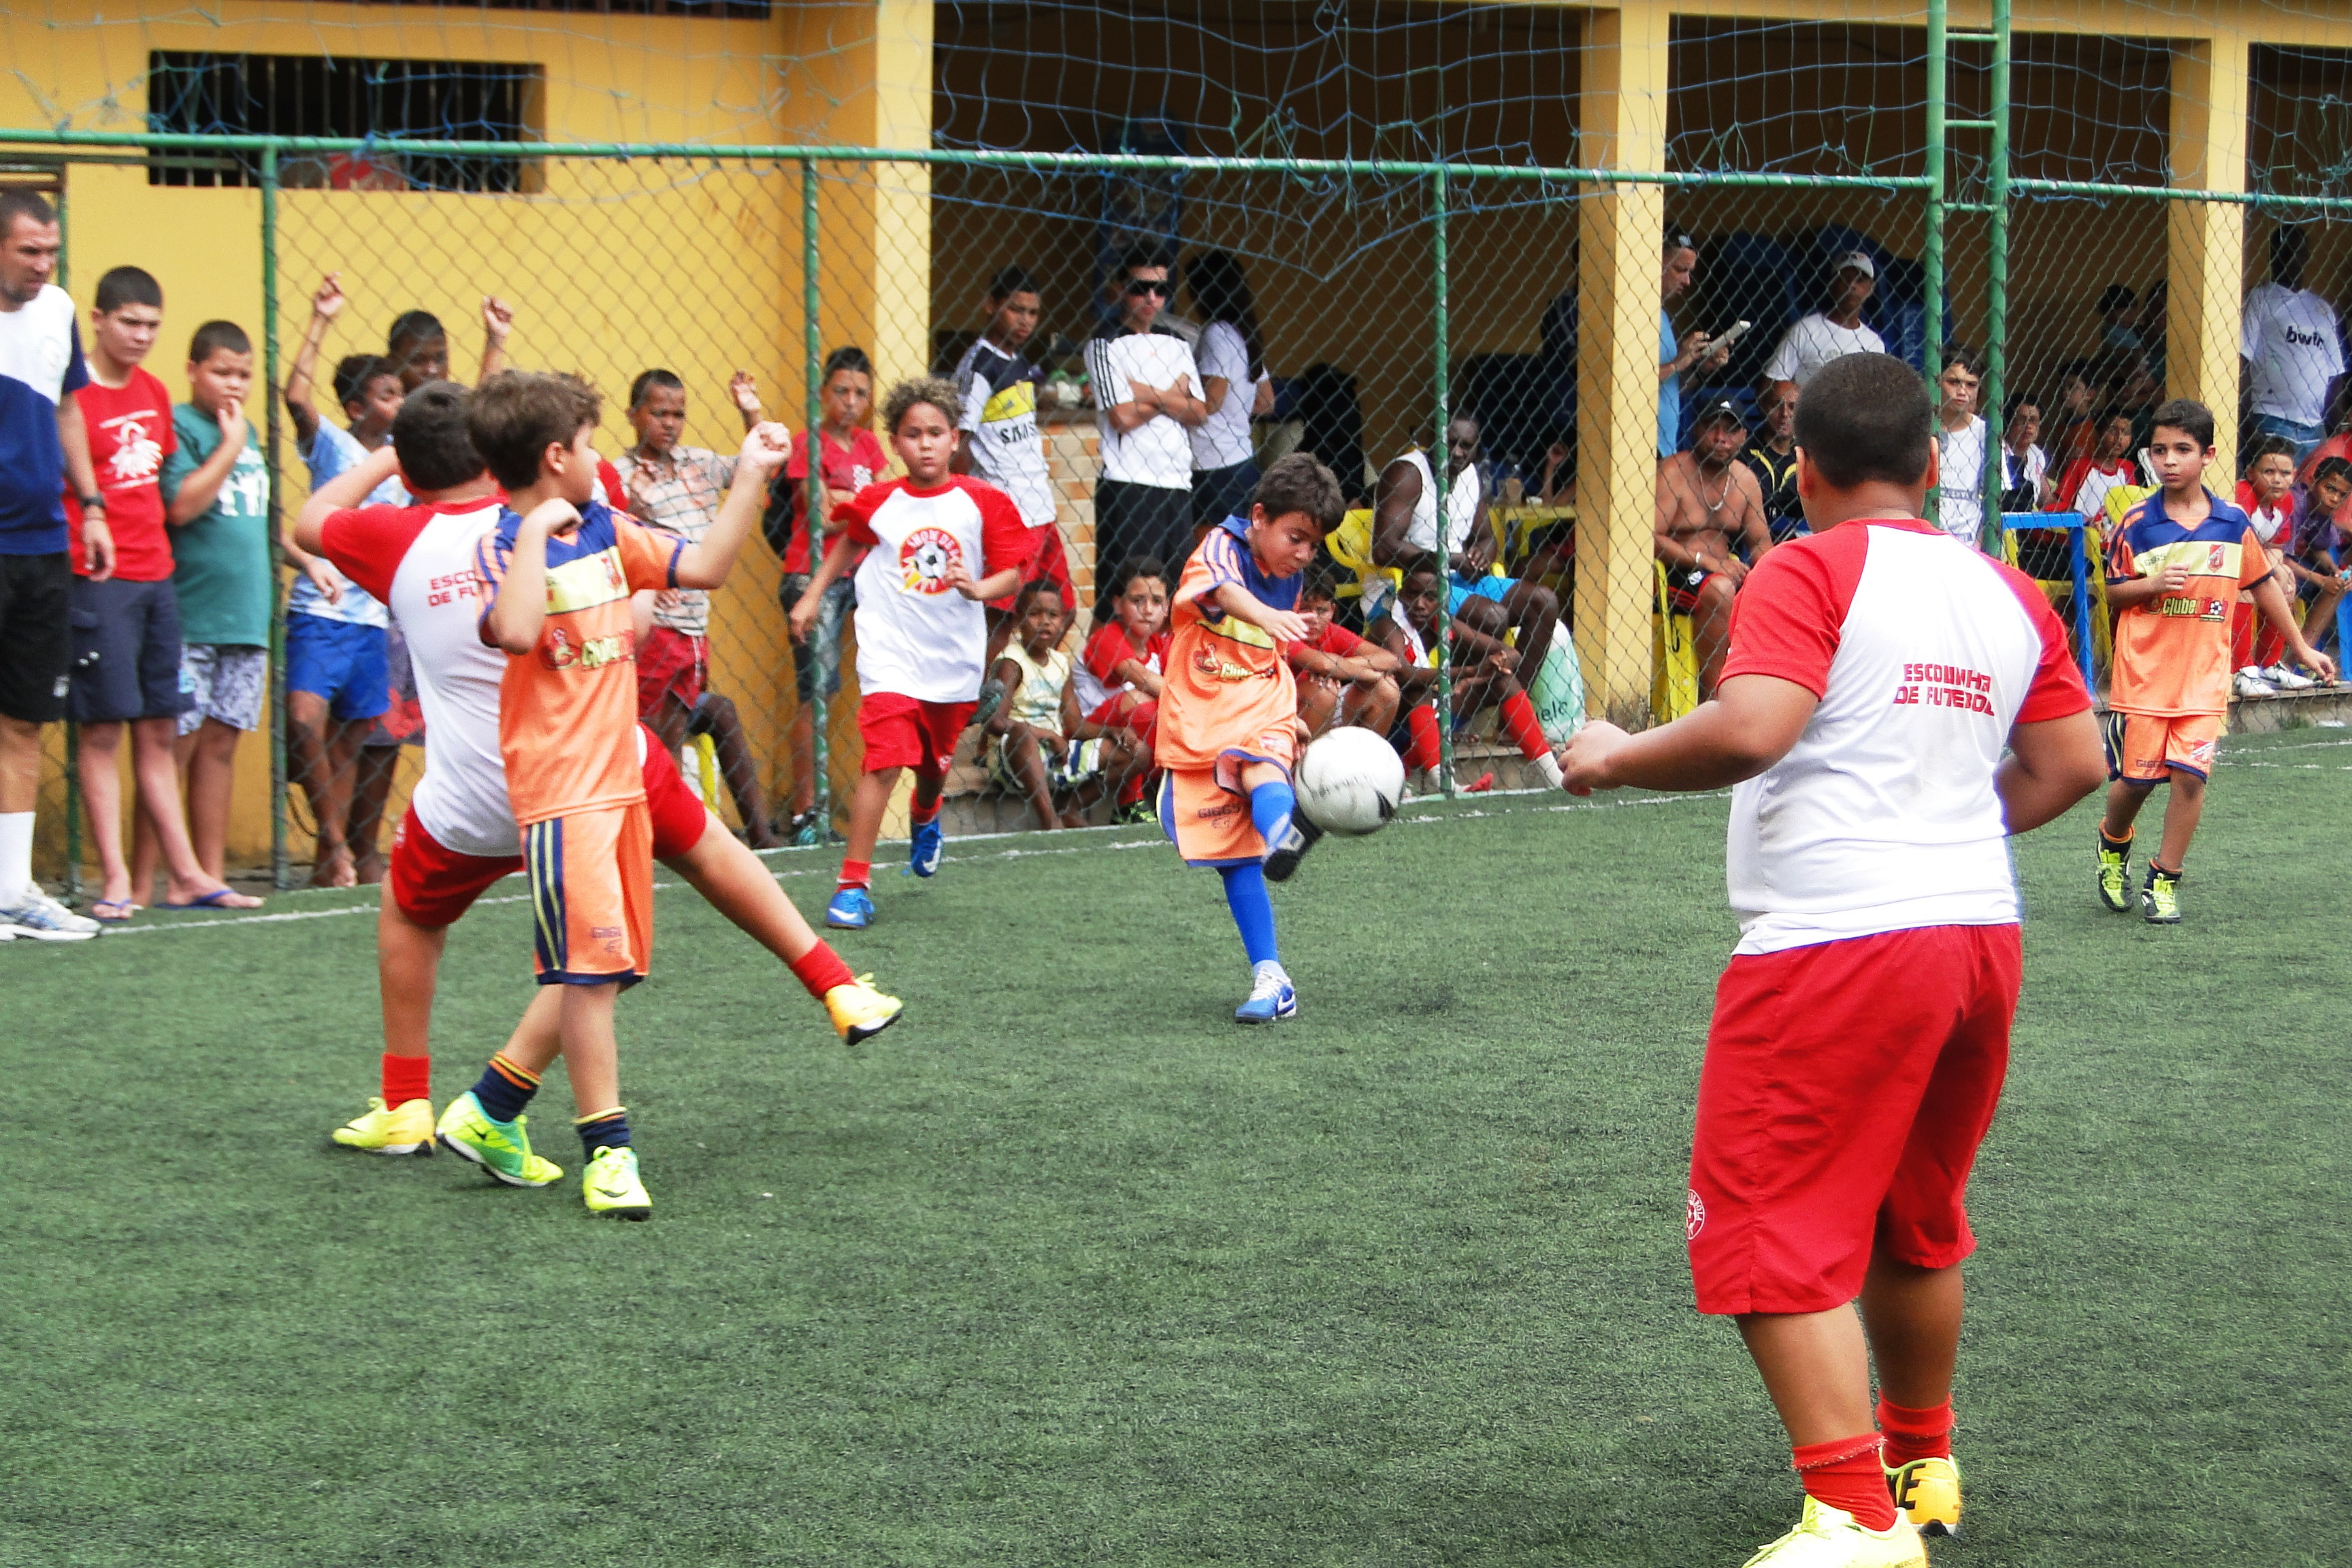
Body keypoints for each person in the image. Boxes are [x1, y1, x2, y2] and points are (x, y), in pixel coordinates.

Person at [1559, 350, 2108, 1568]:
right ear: (1927, 467)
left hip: (1838, 942)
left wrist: (1610, 751)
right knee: (1913, 1215)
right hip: (1975, 935)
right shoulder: (2006, 588)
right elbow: (2074, 764)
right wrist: (1941, 825)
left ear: (1796, 473)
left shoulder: (1807, 564)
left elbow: (1754, 727)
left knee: (1762, 1220)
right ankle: (1921, 1461)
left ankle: (1853, 1512)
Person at [296, 385, 899, 1171]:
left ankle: (409, 1101)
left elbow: (311, 521)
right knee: (690, 867)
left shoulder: (392, 536)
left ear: (412, 474)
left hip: (474, 797)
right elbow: (641, 619)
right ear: (533, 455)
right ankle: (830, 981)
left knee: (412, 915)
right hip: (600, 768)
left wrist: (391, 452)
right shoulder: (576, 512)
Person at [465, 370, 781, 1218]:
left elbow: (707, 565)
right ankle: (609, 1156)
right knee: (593, 974)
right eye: (591, 442)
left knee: (609, 970)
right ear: (556, 457)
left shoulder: (609, 529)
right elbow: (519, 630)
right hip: (562, 793)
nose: (603, 457)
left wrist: (750, 472)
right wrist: (535, 530)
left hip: (621, 783)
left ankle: (490, 1109)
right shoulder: (501, 543)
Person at [791, 376, 1029, 930]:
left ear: (955, 439)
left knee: (931, 767)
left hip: (951, 662)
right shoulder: (880, 501)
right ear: (895, 443)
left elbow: (1013, 570)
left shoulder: (982, 502)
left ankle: (927, 816)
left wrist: (977, 589)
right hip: (890, 656)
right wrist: (810, 595)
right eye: (912, 434)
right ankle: (852, 886)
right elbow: (852, 537)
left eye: (936, 433)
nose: (925, 444)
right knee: (883, 761)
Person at [2095, 399, 2336, 925]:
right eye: (2160, 450)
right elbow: (2113, 594)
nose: (2169, 460)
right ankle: (2114, 842)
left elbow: (2262, 584)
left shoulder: (2232, 523)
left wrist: (2300, 646)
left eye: (2182, 450)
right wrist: (2151, 585)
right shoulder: (2135, 524)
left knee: (2190, 779)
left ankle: (2165, 878)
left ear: (2207, 455)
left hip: (2204, 681)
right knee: (2134, 782)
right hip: (2145, 680)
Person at [65, 266, 257, 920]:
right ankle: (116, 878)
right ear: (98, 320)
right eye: (129, 322)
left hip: (158, 580)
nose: (141, 336)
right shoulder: (75, 394)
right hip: (99, 578)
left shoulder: (151, 393)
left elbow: (156, 494)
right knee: (101, 732)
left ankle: (188, 874)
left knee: (157, 729)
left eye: (151, 324)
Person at [1153, 453, 1345, 1022]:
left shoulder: (1290, 572)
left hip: (1260, 704)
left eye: (1313, 545)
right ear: (1258, 517)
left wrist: (1293, 720)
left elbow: (1267, 649)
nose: (1304, 555)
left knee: (1259, 762)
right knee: (1234, 861)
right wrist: (1269, 615)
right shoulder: (1220, 546)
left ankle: (1287, 830)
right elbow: (1224, 594)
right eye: (1296, 538)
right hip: (1203, 716)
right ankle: (1272, 978)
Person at [0, 190, 109, 941]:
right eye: (28, 251)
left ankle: (11, 891)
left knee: (23, 721)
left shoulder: (59, 308)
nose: (44, 266)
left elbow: (70, 410)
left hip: (42, 548)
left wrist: (93, 505)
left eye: (51, 252)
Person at [613, 366, 779, 849]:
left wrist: (750, 409)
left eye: (678, 414)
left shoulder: (698, 464)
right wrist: (643, 559)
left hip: (693, 629)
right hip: (656, 630)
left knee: (716, 713)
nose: (669, 423)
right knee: (656, 737)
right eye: (658, 412)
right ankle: (660, 840)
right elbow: (611, 538)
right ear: (633, 415)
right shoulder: (621, 477)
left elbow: (761, 465)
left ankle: (764, 836)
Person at [280, 274, 402, 887]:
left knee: (351, 736)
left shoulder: (410, 461)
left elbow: (474, 415)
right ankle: (334, 842)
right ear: (357, 409)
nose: (399, 404)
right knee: (304, 718)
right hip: (321, 614)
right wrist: (319, 320)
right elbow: (297, 397)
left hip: (372, 621)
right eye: (387, 395)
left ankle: (335, 861)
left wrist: (496, 339)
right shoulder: (334, 449)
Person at [155, 320, 270, 892]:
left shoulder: (245, 429)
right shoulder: (183, 426)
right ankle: (155, 879)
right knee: (172, 746)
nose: (234, 385)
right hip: (192, 616)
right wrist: (228, 445)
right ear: (193, 369)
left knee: (220, 746)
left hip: (245, 620)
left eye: (244, 375)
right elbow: (181, 506)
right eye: (222, 372)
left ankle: (208, 876)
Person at [764, 345, 884, 843]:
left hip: (864, 575)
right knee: (816, 692)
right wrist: (854, 504)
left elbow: (873, 510)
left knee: (861, 684)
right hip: (812, 576)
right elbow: (818, 512)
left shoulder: (870, 447)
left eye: (860, 392)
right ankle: (805, 812)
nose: (851, 401)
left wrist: (849, 502)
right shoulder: (805, 444)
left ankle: (831, 808)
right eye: (841, 391)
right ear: (823, 394)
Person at [1368, 416, 1561, 676]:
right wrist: (1452, 560)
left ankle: (1512, 699)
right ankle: (1457, 703)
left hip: (1459, 576)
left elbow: (1487, 537)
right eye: (1450, 443)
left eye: (1467, 445)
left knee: (1544, 601)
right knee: (1494, 617)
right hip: (1417, 582)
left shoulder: (1469, 473)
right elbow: (1383, 550)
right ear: (1431, 439)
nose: (1458, 452)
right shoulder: (1408, 473)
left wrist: (1481, 557)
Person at [1370, 565, 1566, 795]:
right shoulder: (1387, 622)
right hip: (1393, 721)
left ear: (1443, 599)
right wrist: (1469, 671)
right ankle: (1448, 785)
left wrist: (1492, 665)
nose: (1420, 604)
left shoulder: (1441, 620)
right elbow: (1404, 675)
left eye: (1430, 597)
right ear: (1402, 594)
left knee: (1504, 681)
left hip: (1429, 714)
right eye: (1413, 594)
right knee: (1419, 691)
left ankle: (1556, 779)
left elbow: (1513, 654)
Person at [1085, 245, 1207, 572]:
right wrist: (1172, 396)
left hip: (1178, 482)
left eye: (1161, 289)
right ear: (1119, 289)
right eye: (1141, 288)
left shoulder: (1178, 342)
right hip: (1129, 483)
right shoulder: (1104, 344)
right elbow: (1122, 417)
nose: (1152, 297)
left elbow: (1199, 413)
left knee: (1173, 594)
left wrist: (1143, 393)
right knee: (1129, 595)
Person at [1656, 400, 1774, 699]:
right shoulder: (1673, 471)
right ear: (1697, 429)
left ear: (1744, 436)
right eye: (1713, 428)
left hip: (1721, 572)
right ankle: (1713, 701)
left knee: (1774, 588)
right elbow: (1649, 538)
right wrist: (1707, 561)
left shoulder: (1745, 480)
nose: (1721, 438)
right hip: (1673, 572)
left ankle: (1761, 694)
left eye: (1731, 430)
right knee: (1721, 589)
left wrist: (1766, 575)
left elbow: (1760, 543)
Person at [983, 581, 1116, 832]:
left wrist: (1112, 732)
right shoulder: (1012, 662)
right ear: (1019, 620)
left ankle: (1072, 808)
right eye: (1034, 614)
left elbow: (1074, 725)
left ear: (1063, 621)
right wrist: (1047, 735)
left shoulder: (1060, 663)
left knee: (1134, 751)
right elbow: (996, 722)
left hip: (1055, 756)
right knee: (1022, 732)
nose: (1045, 621)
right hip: (1014, 759)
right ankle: (1049, 819)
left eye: (1053, 615)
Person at [951, 266, 1056, 535]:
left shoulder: (1019, 362)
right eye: (1016, 310)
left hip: (1038, 504)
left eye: (1032, 313)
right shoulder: (980, 366)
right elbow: (958, 441)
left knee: (1052, 579)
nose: (1025, 320)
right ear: (990, 305)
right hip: (1005, 508)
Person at [1186, 250, 1275, 534]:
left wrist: (1170, 399)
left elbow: (1211, 401)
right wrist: (1236, 411)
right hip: (1241, 458)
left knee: (1210, 553)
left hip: (1212, 462)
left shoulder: (1216, 333)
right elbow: (1266, 401)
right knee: (1239, 550)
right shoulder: (1245, 332)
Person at [1075, 555, 1171, 818]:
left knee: (1158, 706)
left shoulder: (1160, 644)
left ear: (1167, 607)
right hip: (1092, 729)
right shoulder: (1106, 637)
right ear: (1118, 604)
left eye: (1157, 601)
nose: (1148, 609)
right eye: (1137, 600)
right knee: (1142, 702)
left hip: (1131, 736)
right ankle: (1130, 802)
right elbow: (1142, 678)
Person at [2241, 225, 2342, 462]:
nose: (2290, 256)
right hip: (2271, 419)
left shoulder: (2322, 309)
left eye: (2297, 250)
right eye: (2284, 250)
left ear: (2306, 255)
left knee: (2311, 496)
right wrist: (2245, 421)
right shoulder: (2261, 298)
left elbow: (2334, 375)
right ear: (2273, 254)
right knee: (2274, 492)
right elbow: (2244, 362)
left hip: (2314, 427)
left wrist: (2336, 431)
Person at [1287, 570, 1400, 740]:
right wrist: (1369, 673)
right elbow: (1324, 665)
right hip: (1286, 709)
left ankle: (1364, 762)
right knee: (1324, 691)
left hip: (1328, 706)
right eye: (1304, 609)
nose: (1314, 618)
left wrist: (1337, 668)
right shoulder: (1285, 632)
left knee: (1387, 688)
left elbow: (1391, 660)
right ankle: (1307, 762)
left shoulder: (1330, 631)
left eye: (1322, 610)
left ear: (1332, 610)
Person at [1763, 250, 1886, 403]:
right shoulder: (1805, 330)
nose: (1852, 285)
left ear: (1871, 289)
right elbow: (1772, 385)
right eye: (1845, 278)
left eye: (1860, 280)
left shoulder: (1874, 343)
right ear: (1832, 283)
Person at [2231, 436, 2302, 694]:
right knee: (2247, 585)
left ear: (2294, 475)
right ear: (2251, 473)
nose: (2277, 479)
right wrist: (2268, 573)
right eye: (2269, 472)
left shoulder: (2287, 501)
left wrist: (2281, 573)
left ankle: (2269, 663)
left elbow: (2274, 547)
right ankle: (2240, 670)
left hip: (2254, 560)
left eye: (2285, 473)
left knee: (2285, 580)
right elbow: (2237, 546)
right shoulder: (2242, 495)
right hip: (2225, 561)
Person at [1659, 230, 1732, 459]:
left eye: (1690, 272)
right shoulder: (1633, 314)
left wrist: (1702, 368)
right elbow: (1627, 385)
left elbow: (1669, 388)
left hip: (1664, 446)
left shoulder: (1661, 315)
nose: (1687, 281)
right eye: (1680, 270)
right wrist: (1680, 361)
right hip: (1638, 446)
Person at [2281, 457, 2352, 653]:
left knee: (2337, 586)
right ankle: (2285, 653)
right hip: (2275, 567)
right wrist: (2321, 580)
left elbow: (2318, 547)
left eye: (2342, 495)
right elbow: (2281, 558)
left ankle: (2302, 653)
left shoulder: (2322, 510)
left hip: (2295, 566)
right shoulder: (2295, 503)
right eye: (2330, 489)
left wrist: (2334, 570)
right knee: (2287, 577)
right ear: (2313, 481)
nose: (2335, 499)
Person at [384, 297, 512, 393]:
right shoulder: (384, 418)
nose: (432, 370)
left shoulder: (454, 407)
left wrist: (495, 339)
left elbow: (483, 411)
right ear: (392, 362)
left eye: (440, 359)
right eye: (417, 361)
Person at [1931, 348, 1990, 548]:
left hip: (1968, 543)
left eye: (1971, 385)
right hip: (1924, 541)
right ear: (1938, 381)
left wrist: (1978, 548)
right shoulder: (1919, 428)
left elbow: (1997, 501)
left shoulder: (1986, 434)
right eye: (1954, 382)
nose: (1963, 391)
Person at [2051, 409, 2140, 524]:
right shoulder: (2080, 466)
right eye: (2113, 431)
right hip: (2084, 536)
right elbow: (2061, 504)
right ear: (2098, 433)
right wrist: (2084, 519)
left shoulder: (2127, 467)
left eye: (2126, 432)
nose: (2119, 438)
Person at [1742, 382, 1805, 542]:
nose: (1784, 413)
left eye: (1792, 407)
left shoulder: (1809, 456)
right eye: (1776, 404)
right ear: (1764, 407)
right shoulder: (1744, 452)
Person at [2095, 283, 2142, 355]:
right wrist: (2132, 353)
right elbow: (2111, 349)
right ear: (2109, 313)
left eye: (2134, 313)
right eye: (2127, 313)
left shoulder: (2129, 330)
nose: (2132, 317)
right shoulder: (2109, 331)